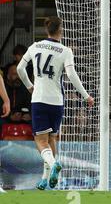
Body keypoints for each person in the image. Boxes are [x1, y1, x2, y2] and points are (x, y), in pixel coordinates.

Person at [16, 16, 94, 190]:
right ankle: (45, 179)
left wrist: (29, 86)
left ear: (46, 30)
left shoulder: (35, 46)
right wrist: (86, 95)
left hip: (39, 99)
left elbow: (20, 68)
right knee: (52, 139)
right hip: (57, 101)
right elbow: (72, 76)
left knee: (40, 140)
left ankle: (54, 165)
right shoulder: (65, 50)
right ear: (61, 30)